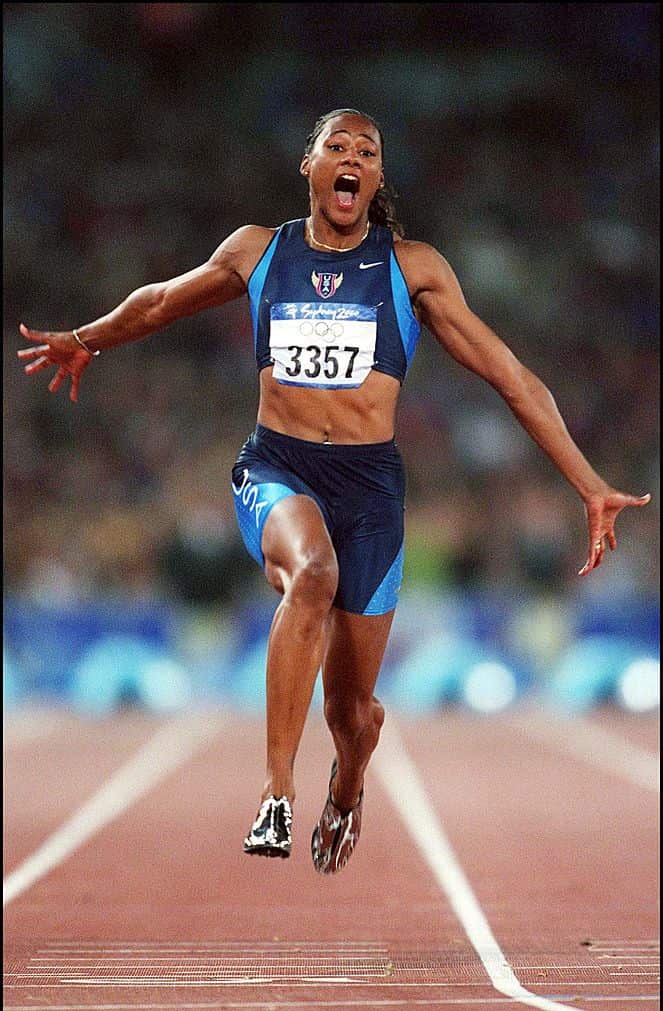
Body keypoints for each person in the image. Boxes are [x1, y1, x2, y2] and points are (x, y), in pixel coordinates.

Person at [18, 108, 651, 874]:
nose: (352, 158)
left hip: (371, 491)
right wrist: (84, 339)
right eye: (338, 146)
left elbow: (511, 379)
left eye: (368, 151)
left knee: (352, 713)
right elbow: (157, 301)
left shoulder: (412, 268)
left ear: (376, 180)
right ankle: (275, 793)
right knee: (310, 575)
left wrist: (587, 485)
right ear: (310, 166)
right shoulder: (257, 251)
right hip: (277, 467)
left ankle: (347, 782)